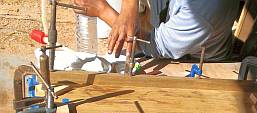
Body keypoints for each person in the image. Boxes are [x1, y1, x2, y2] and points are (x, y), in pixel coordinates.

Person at [74, 0, 239, 60]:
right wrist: (129, 6)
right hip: (168, 23)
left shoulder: (203, 10)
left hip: (193, 60)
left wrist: (104, 12)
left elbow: (156, 46)